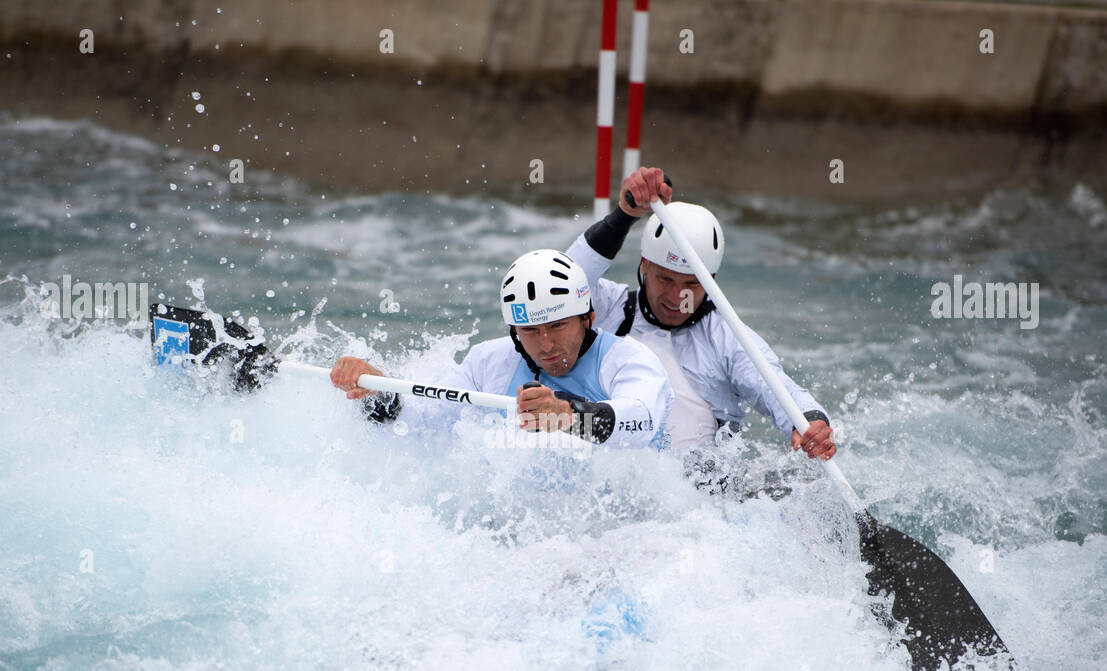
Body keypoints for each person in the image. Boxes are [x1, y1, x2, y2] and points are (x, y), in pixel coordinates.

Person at [563, 168, 837, 482]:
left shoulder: (729, 338)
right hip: (609, 485)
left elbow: (778, 389)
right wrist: (624, 216)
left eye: (691, 284)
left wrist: (812, 422)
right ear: (644, 267)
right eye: (664, 278)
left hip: (700, 496)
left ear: (711, 283)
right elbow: (561, 279)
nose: (676, 296)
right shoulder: (608, 307)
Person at [329, 248, 673, 448]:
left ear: (588, 318)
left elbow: (640, 423)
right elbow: (421, 423)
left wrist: (567, 415)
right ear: (513, 331)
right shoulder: (487, 362)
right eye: (530, 331)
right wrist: (378, 389)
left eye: (557, 326)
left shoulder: (629, 360)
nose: (546, 345)